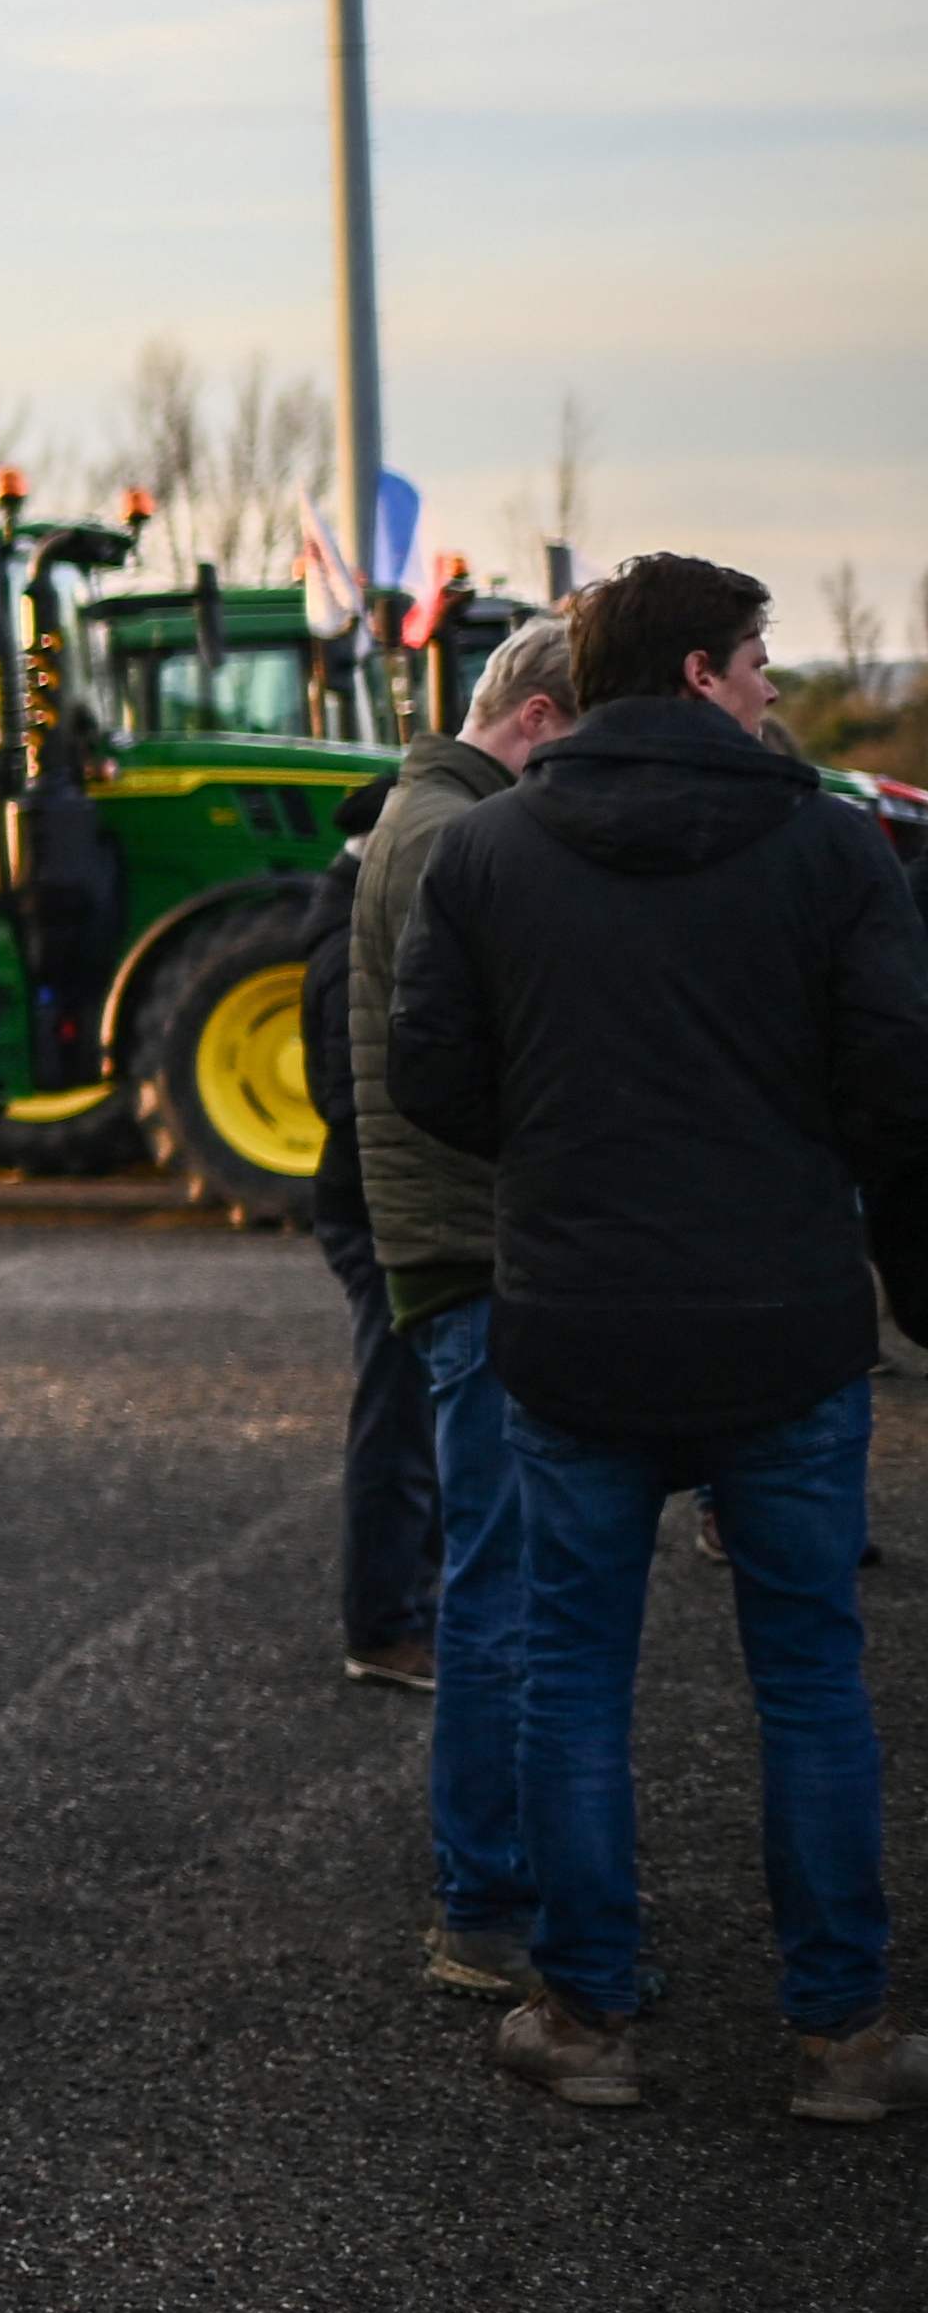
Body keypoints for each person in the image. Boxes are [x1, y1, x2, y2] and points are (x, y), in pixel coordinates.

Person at [388, 554, 928, 2122]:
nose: (768, 683)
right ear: (698, 671)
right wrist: (792, 1163)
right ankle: (840, 2039)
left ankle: (589, 2017)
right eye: (756, 658)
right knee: (811, 1679)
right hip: (785, 1322)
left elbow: (432, 1079)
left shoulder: (487, 852)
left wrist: (567, 1149)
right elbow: (899, 1076)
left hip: (576, 1319)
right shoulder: (828, 848)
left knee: (573, 1674)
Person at [343, 612, 575, 1997]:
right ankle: (488, 1901)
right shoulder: (456, 837)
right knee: (503, 1590)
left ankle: (503, 1884)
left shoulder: (431, 815)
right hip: (477, 1251)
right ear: (541, 721)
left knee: (505, 1578)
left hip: (462, 1244)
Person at [294, 778, 434, 1691]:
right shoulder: (353, 944)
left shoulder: (353, 919)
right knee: (398, 1419)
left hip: (379, 1201)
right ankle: (385, 1626)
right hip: (376, 1206)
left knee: (416, 1412)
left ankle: (409, 1607)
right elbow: (356, 1104)